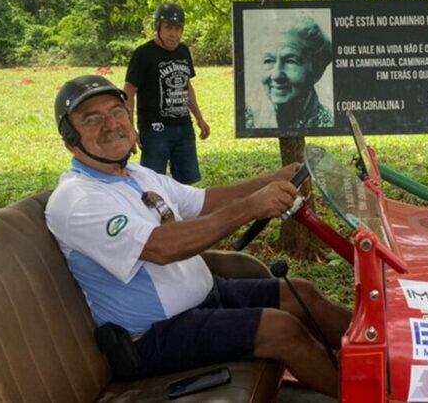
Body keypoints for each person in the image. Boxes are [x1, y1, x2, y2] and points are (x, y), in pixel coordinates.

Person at [45, 75, 350, 397]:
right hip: (152, 336)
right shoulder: (77, 199)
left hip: (204, 298)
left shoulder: (137, 175)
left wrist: (270, 178)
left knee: (302, 295)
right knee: (280, 328)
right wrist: (251, 207)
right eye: (92, 120)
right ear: (70, 138)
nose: (110, 125)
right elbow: (161, 247)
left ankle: (388, 358)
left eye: (117, 112)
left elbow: (203, 202)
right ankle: (367, 396)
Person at [124, 2, 209, 185]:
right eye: (169, 28)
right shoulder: (143, 54)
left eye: (178, 28)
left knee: (188, 182)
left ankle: (185, 215)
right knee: (153, 182)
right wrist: (129, 127)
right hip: (155, 130)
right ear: (158, 28)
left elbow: (187, 86)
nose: (174, 34)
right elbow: (129, 90)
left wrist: (199, 118)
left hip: (184, 127)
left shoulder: (184, 51)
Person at [245, 13, 334, 129]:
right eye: (269, 61)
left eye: (290, 61)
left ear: (316, 70)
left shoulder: (327, 123)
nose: (276, 75)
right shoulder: (249, 119)